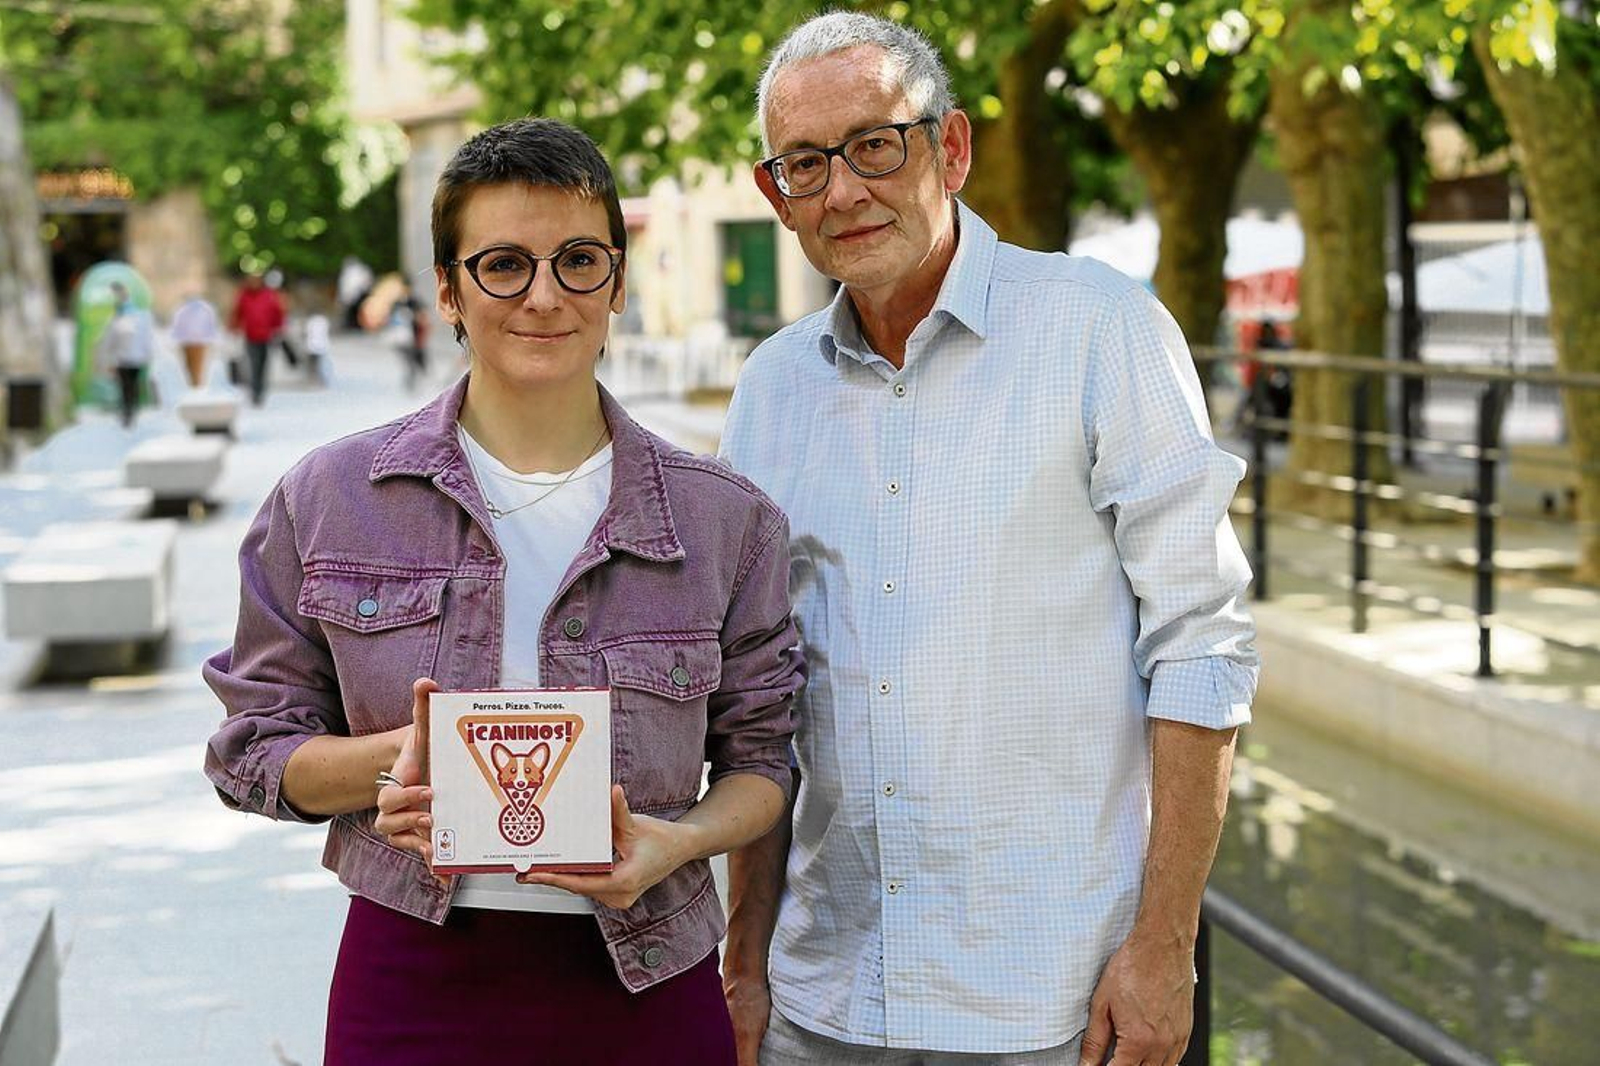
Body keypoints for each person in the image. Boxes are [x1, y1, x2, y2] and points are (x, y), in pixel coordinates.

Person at [202, 118, 803, 1066]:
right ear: (447, 289)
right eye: (503, 265)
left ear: (616, 280)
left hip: (645, 978)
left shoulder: (726, 522)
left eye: (577, 261)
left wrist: (675, 845)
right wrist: (395, 764)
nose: (544, 296)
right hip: (413, 975)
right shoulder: (327, 501)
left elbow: (763, 764)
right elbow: (252, 749)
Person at [719, 14, 1259, 1066]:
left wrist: (1164, 946)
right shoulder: (769, 390)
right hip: (821, 1004)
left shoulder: (1099, 331)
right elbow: (760, 697)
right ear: (773, 193)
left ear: (951, 149)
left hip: (1058, 1004)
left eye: (876, 144)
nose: (841, 190)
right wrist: (745, 956)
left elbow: (1203, 646)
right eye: (804, 164)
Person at [96, 281, 156, 427]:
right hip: (128, 359)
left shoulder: (126, 318)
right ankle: (130, 410)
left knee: (128, 386)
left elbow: (110, 341)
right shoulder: (130, 317)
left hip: (128, 359)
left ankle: (129, 411)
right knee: (129, 386)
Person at [229, 272, 285, 406]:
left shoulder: (269, 295)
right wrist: (233, 327)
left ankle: (261, 390)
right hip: (251, 335)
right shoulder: (244, 295)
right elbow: (237, 312)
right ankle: (255, 391)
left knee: (263, 364)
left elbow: (276, 312)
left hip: (266, 336)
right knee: (254, 363)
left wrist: (278, 327)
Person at [169, 293, 221, 387]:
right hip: (190, 341)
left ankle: (195, 385)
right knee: (191, 366)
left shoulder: (200, 309)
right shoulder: (186, 309)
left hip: (196, 341)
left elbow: (210, 324)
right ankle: (194, 384)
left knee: (195, 366)